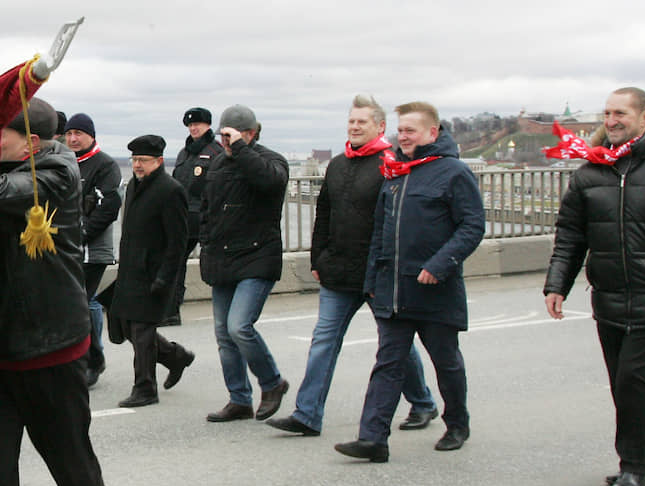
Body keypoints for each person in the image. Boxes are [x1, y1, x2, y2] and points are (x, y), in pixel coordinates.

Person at [0, 99, 112, 486]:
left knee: (72, 468)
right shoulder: (11, 167)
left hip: (52, 351)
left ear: (31, 143)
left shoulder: (57, 174)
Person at [266, 95, 439, 437]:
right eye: (351, 121)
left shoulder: (390, 163)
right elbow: (325, 214)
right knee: (323, 342)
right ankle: (307, 414)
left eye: (362, 122)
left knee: (393, 345)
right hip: (337, 271)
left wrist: (385, 267)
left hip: (377, 274)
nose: (355, 127)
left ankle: (422, 403)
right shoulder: (338, 164)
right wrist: (319, 258)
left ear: (380, 127)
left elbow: (394, 222)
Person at [334, 101, 484, 462]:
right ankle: (372, 439)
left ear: (432, 133)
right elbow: (380, 233)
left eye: (410, 130)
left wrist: (439, 264)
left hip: (435, 290)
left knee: (446, 363)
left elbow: (472, 226)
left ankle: (457, 423)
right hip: (393, 289)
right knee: (388, 363)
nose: (403, 136)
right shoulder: (395, 173)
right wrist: (372, 279)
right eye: (400, 131)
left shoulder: (454, 173)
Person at [544, 87, 645, 486]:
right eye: (607, 113)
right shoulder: (590, 172)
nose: (611, 120)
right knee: (621, 382)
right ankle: (643, 457)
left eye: (621, 113)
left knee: (633, 377)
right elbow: (570, 235)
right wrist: (556, 285)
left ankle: (631, 466)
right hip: (609, 292)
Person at [200, 105, 290, 423]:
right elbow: (208, 210)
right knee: (224, 334)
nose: (224, 141)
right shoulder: (218, 164)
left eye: (231, 135)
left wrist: (239, 147)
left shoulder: (271, 160)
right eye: (222, 135)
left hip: (257, 256)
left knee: (240, 327)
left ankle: (272, 382)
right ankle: (239, 399)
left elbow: (269, 182)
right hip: (223, 257)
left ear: (250, 134)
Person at [109, 134, 195, 408]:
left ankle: (145, 388)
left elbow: (178, 241)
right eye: (134, 160)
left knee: (142, 332)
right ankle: (174, 356)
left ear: (158, 161)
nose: (137, 165)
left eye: (142, 160)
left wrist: (165, 277)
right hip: (131, 271)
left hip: (154, 274)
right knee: (126, 328)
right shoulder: (135, 186)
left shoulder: (171, 191)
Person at [64, 113, 122, 387]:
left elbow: (108, 208)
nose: (73, 139)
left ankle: (93, 361)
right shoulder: (64, 162)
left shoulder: (105, 165)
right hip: (65, 248)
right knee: (74, 306)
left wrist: (81, 234)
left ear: (91, 136)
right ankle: (75, 359)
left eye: (79, 133)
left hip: (91, 251)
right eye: (69, 133)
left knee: (81, 305)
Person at [165, 107, 224, 326]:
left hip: (207, 217)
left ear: (208, 125)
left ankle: (227, 307)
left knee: (218, 262)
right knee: (175, 261)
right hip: (184, 217)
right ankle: (171, 310)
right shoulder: (184, 153)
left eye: (197, 124)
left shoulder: (216, 152)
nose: (193, 128)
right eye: (190, 125)